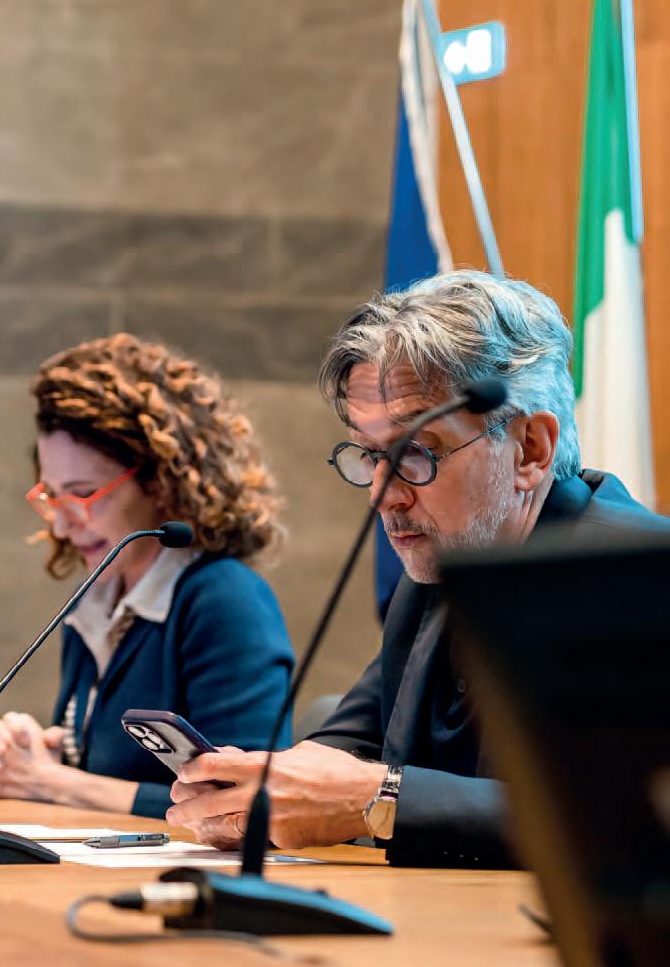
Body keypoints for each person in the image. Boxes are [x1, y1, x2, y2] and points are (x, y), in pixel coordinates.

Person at [166, 271, 669, 864]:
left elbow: (632, 817)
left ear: (530, 449)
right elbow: (346, 748)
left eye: (417, 452)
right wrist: (254, 791)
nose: (384, 495)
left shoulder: (640, 582)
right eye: (369, 454)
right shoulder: (442, 571)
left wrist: (380, 800)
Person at [0, 333, 294, 818]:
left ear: (161, 482)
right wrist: (33, 757)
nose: (62, 525)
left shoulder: (225, 598)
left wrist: (51, 782)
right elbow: (106, 770)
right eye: (52, 497)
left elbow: (249, 803)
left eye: (82, 495)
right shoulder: (97, 597)